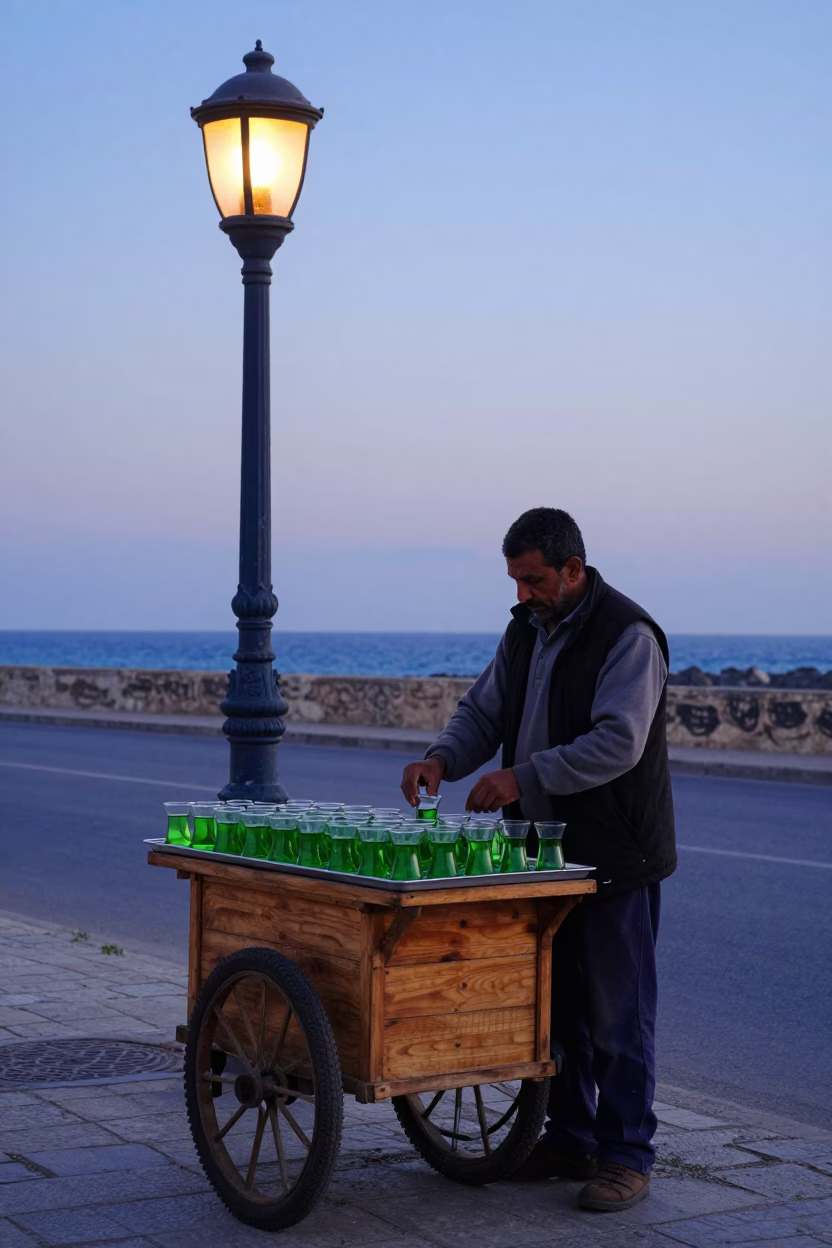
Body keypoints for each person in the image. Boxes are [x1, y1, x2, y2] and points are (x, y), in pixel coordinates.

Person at [401, 507, 676, 1213]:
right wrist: (441, 758)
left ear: (573, 570)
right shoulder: (526, 629)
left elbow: (618, 742)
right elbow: (483, 713)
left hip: (612, 853)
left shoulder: (629, 635)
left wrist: (521, 778)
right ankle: (569, 1137)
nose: (523, 595)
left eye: (534, 581)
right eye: (515, 582)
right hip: (540, 856)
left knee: (618, 1013)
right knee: (556, 1006)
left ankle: (626, 1156)